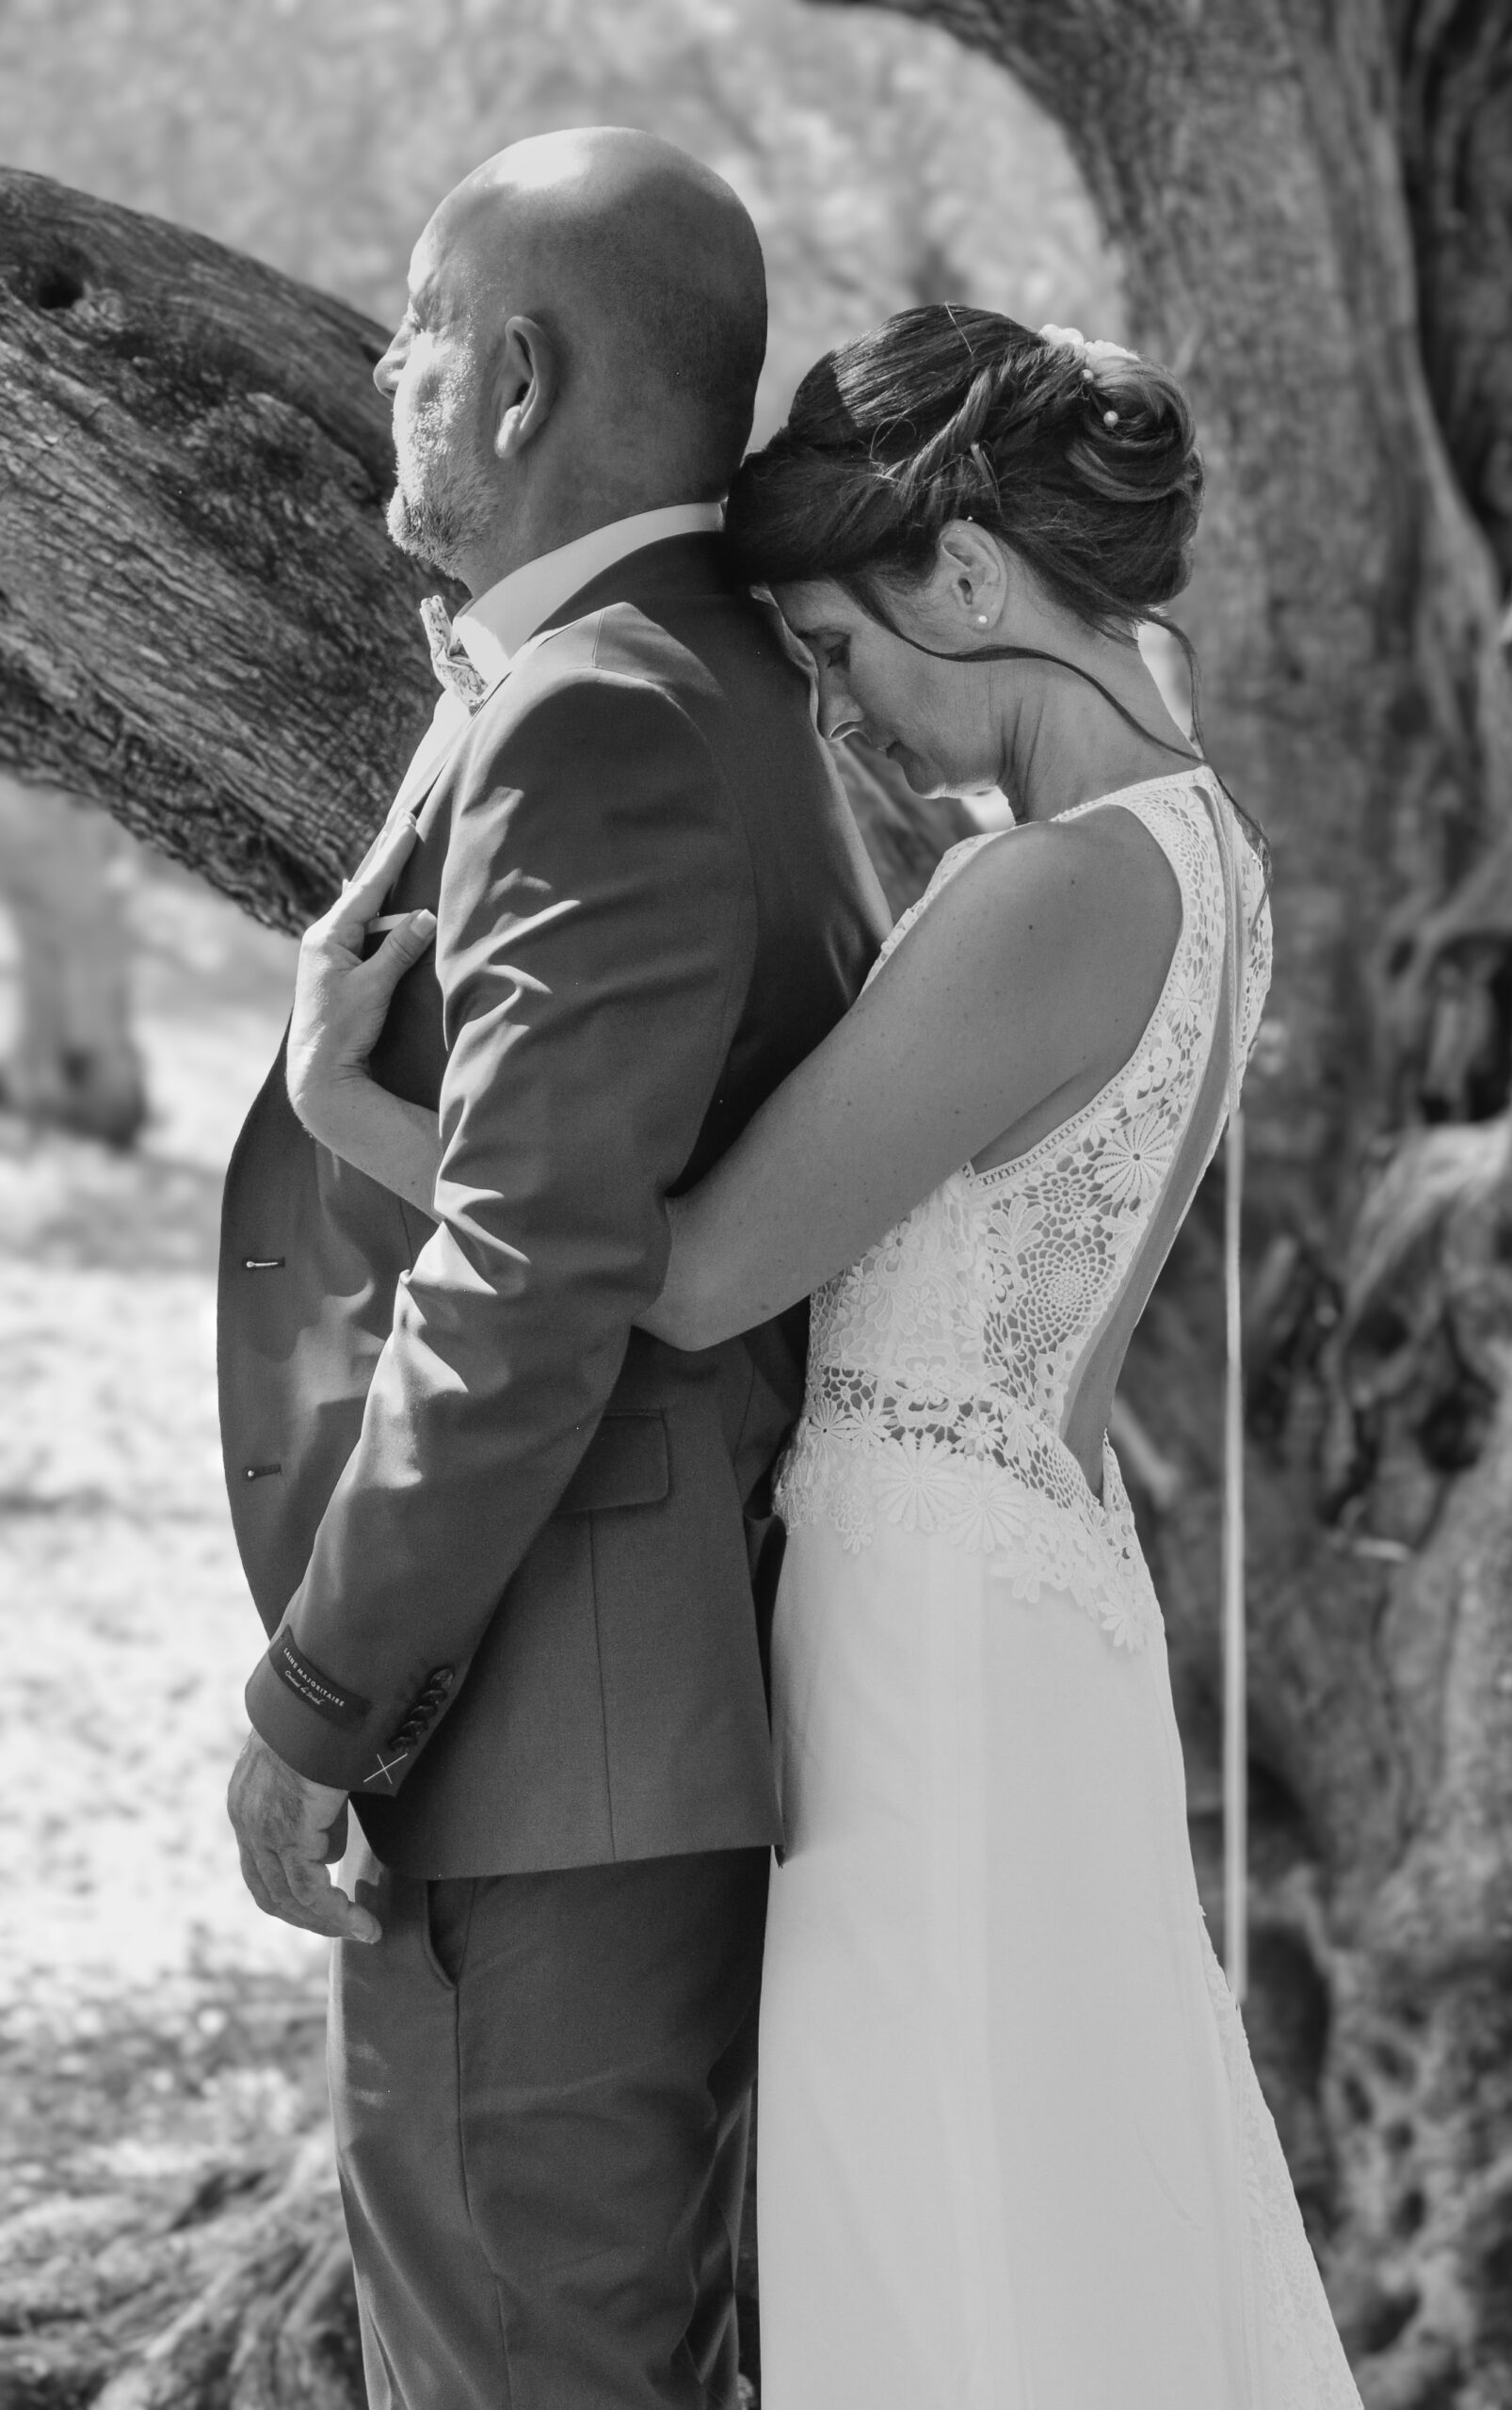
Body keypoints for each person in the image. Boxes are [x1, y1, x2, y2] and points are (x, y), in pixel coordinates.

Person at [297, 299, 1368, 2409]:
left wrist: (359, 1120)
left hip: (927, 1658)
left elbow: (689, 1274)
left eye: (843, 649)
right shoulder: (1194, 849)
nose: (846, 713)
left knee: (943, 2240)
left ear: (968, 578)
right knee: (1017, 2203)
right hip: (1006, 1595)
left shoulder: (1042, 891)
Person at [218, 129, 886, 2410]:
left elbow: (523, 1280)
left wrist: (315, 1699)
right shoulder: (679, 673)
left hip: (542, 1731)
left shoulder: (604, 709)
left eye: (414, 326)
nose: (384, 366)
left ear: (514, 380)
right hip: (600, 1719)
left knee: (529, 2366)